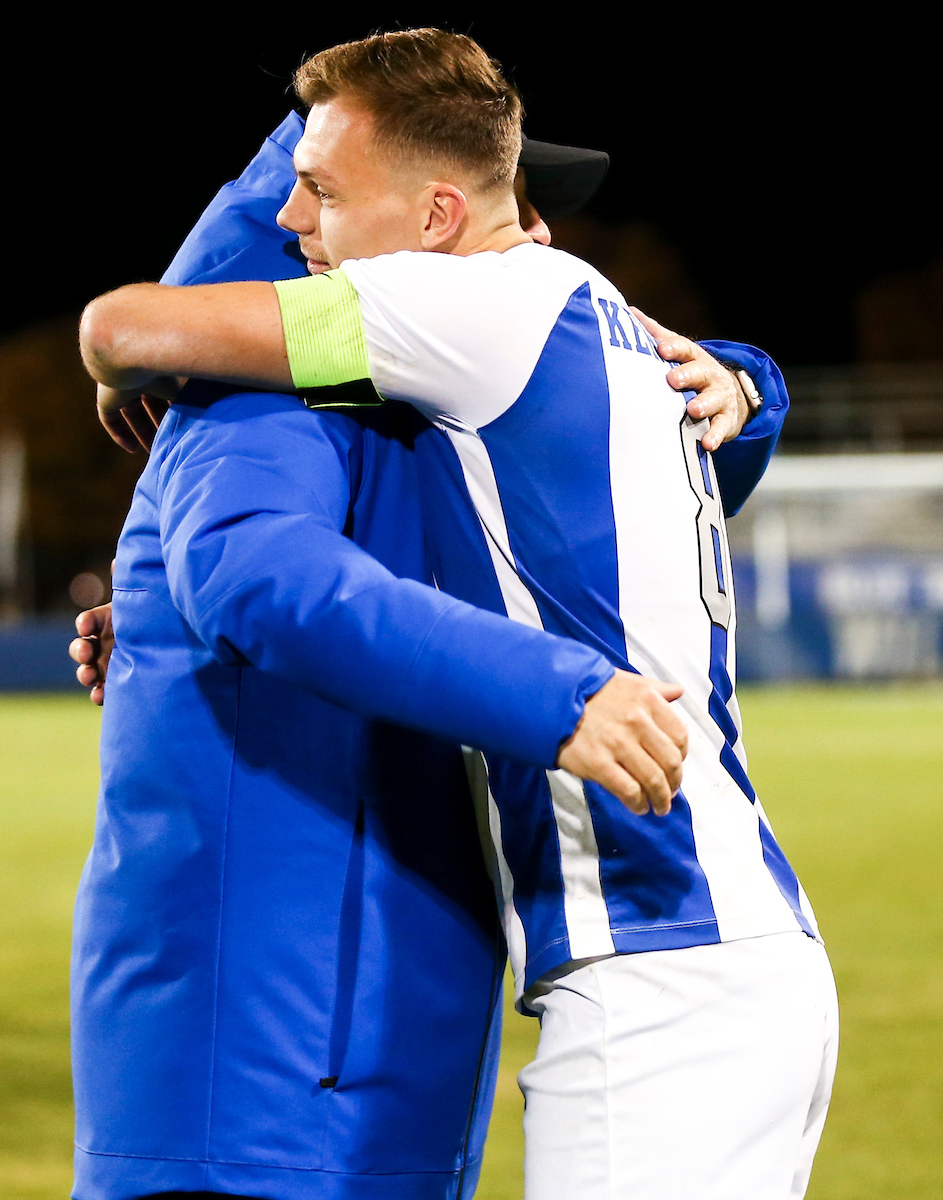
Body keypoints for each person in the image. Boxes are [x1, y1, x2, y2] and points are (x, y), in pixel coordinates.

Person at [80, 29, 837, 1200]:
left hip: (658, 961)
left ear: (440, 218)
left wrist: (149, 358)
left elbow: (124, 331)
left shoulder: (484, 306)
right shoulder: (584, 336)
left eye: (323, 196)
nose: (297, 225)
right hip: (728, 958)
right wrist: (155, 625)